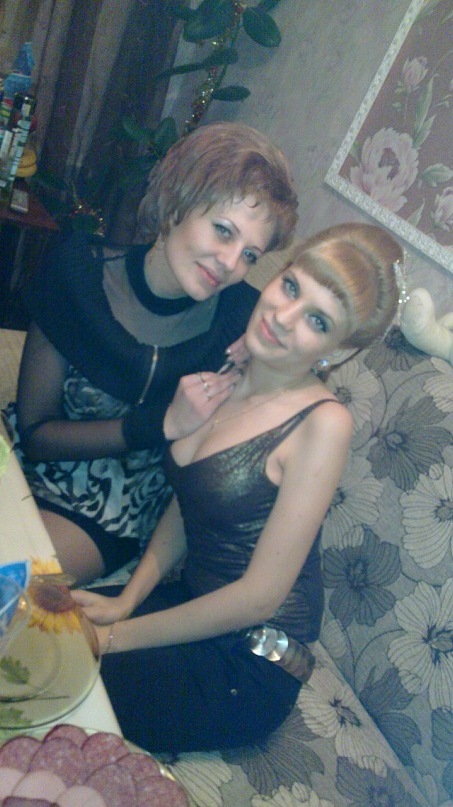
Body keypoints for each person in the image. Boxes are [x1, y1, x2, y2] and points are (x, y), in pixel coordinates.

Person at [73, 222, 403, 753]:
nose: (283, 316)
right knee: (40, 626)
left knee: (54, 678)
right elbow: (191, 505)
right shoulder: (233, 367)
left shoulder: (324, 424)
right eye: (290, 287)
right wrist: (128, 599)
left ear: (337, 351)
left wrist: (113, 638)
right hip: (191, 606)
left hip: (246, 665)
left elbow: (257, 599)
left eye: (317, 320)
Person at [3, 122, 298, 585]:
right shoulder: (79, 276)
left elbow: (308, 375)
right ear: (175, 205)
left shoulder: (244, 319)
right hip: (23, 459)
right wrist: (162, 423)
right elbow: (37, 434)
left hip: (109, 509)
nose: (230, 263)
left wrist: (262, 362)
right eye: (223, 231)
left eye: (250, 255)